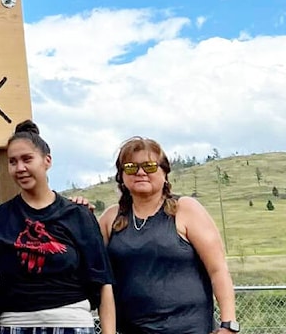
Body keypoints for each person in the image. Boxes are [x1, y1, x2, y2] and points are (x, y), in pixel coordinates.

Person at [0, 121, 114, 334]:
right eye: (13, 162)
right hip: (15, 325)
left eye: (27, 159)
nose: (20, 168)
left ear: (47, 161)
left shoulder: (77, 215)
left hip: (72, 323)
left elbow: (103, 282)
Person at [99, 137, 238, 334]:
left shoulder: (186, 209)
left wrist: (228, 325)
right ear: (121, 176)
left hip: (190, 329)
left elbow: (218, 269)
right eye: (130, 167)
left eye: (149, 166)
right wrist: (77, 210)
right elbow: (92, 270)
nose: (140, 172)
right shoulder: (110, 219)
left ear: (164, 172)